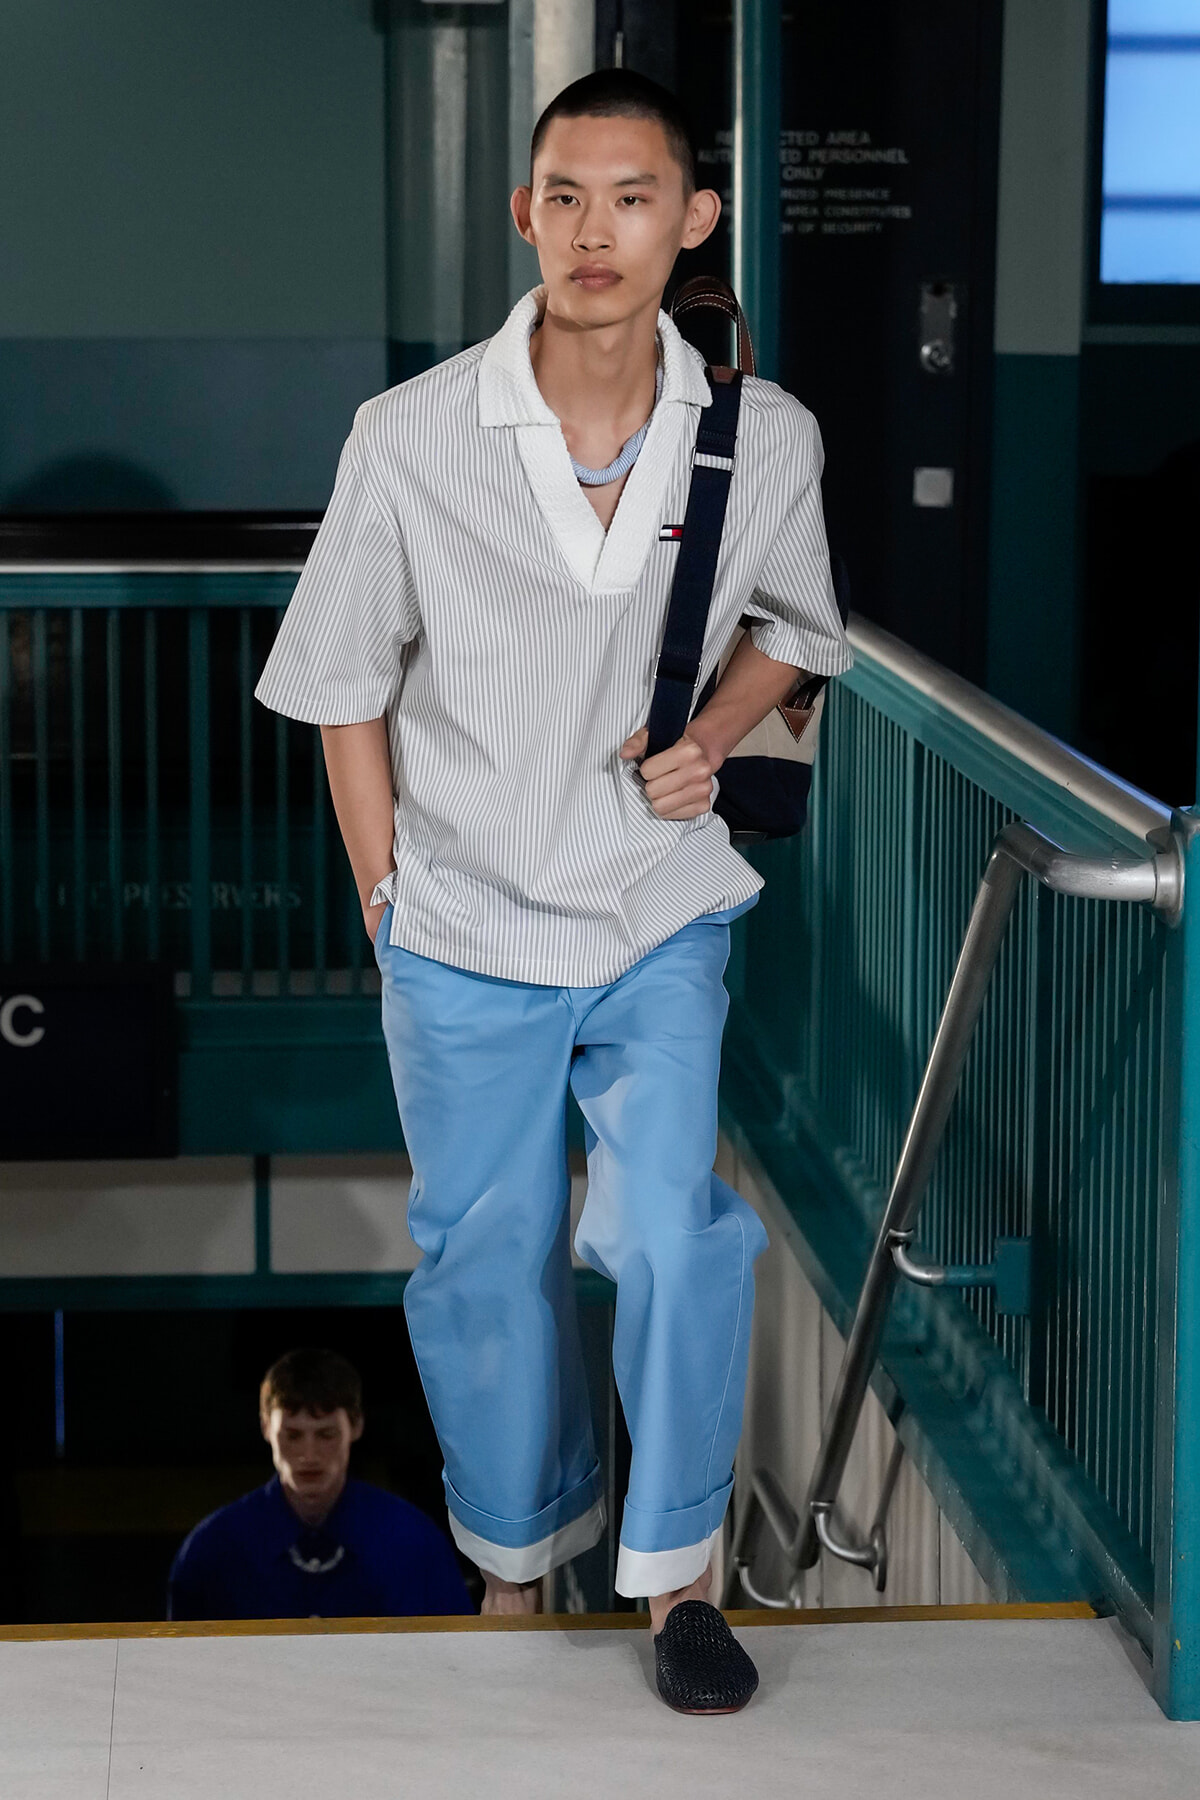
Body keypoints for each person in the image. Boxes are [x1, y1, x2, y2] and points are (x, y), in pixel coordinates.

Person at [254, 68, 851, 1711]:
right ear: (526, 214)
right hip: (459, 927)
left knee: (672, 1231)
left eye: (636, 197)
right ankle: (516, 1561)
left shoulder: (759, 435)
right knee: (484, 1257)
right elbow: (339, 685)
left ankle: (678, 1585)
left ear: (692, 219)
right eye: (568, 198)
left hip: (656, 907)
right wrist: (385, 903)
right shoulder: (414, 436)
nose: (600, 231)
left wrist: (713, 734)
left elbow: (799, 628)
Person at [167, 1347, 473, 1621]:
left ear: (355, 1426)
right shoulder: (214, 1549)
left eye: (326, 1434)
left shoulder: (414, 1541)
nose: (308, 1455)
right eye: (293, 1435)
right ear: (265, 1428)